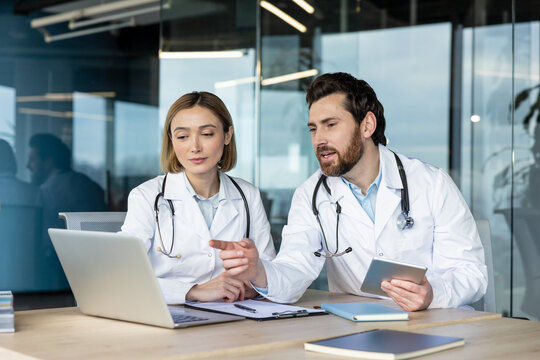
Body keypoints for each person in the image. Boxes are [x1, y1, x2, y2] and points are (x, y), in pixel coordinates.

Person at [211, 73, 488, 311]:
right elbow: (294, 269)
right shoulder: (311, 194)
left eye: (331, 125)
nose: (319, 139)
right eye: (313, 129)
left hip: (432, 324)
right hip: (355, 329)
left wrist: (432, 294)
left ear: (367, 125)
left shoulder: (431, 183)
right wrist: (258, 271)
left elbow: (471, 274)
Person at [121, 91, 276, 305]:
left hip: (235, 314)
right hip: (169, 315)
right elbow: (124, 276)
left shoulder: (248, 195)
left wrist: (255, 285)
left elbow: (269, 271)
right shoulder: (147, 197)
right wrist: (193, 291)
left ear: (227, 135)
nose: (195, 147)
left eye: (207, 134)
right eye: (183, 136)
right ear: (171, 140)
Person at [27, 133, 107, 229]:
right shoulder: (87, 183)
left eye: (32, 160)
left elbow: (45, 238)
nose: (27, 165)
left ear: (48, 161)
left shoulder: (47, 192)